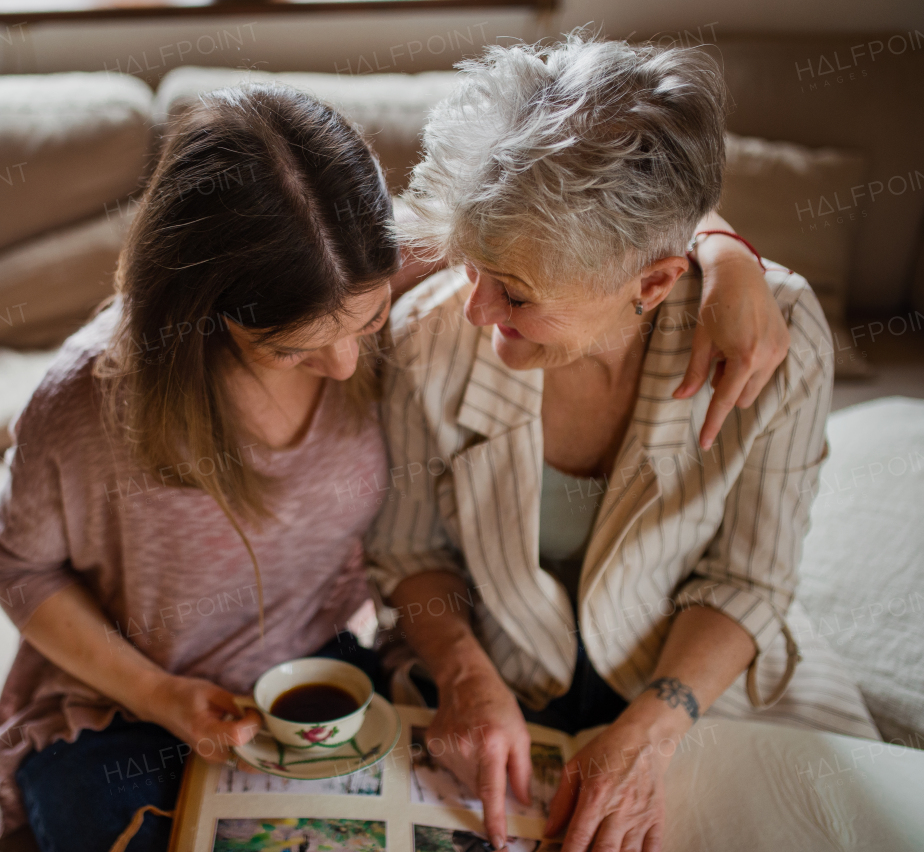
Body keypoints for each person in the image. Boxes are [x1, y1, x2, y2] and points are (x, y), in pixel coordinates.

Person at [0, 80, 789, 852]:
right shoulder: (83, 402)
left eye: (365, 324)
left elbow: (603, 209)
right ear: (204, 310)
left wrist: (727, 255)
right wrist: (156, 695)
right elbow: (17, 569)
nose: (341, 367)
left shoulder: (398, 266)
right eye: (293, 348)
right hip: (119, 705)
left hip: (322, 678)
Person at [368, 34, 880, 852]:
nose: (474, 311)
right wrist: (464, 674)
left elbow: (749, 576)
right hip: (501, 680)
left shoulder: (778, 337)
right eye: (472, 266)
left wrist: (650, 732)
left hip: (693, 688)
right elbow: (404, 549)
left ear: (651, 284)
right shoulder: (424, 339)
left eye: (517, 294)